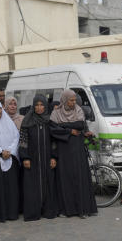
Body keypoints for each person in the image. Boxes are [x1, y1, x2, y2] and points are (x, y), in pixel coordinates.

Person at [51, 90, 97, 218]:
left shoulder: (78, 110)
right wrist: (70, 130)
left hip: (77, 149)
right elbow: (53, 129)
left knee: (79, 177)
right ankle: (68, 210)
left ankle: (82, 209)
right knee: (65, 178)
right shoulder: (56, 113)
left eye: (74, 100)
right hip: (63, 149)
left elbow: (80, 124)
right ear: (65, 100)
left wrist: (63, 126)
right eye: (71, 100)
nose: (73, 103)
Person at [19, 94, 58, 221]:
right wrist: (25, 158)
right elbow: (23, 141)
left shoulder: (49, 121)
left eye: (42, 105)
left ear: (46, 106)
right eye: (37, 105)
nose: (39, 107)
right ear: (33, 106)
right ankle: (33, 212)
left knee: (48, 184)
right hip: (32, 160)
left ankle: (49, 211)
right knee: (32, 186)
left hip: (47, 160)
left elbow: (54, 141)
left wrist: (53, 157)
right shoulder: (27, 121)